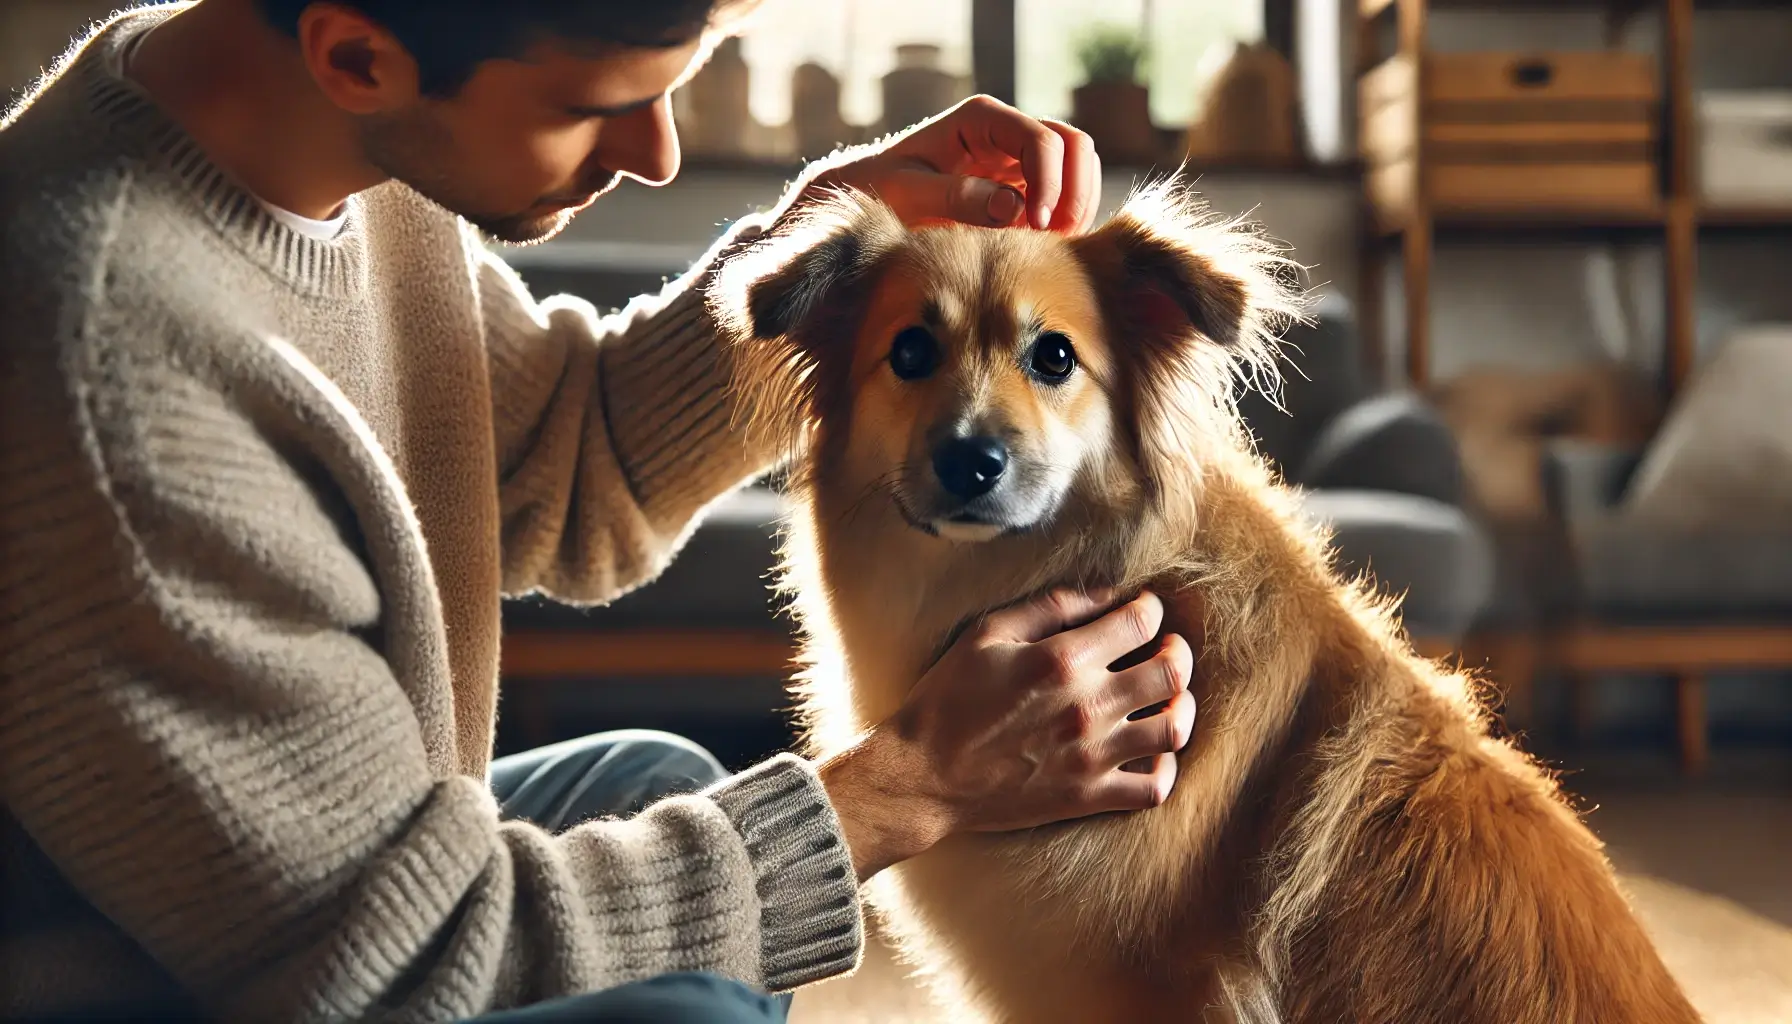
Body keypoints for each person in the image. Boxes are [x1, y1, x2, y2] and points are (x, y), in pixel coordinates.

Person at [0, 1, 1201, 1020]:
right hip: (182, 979)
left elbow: (555, 465)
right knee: (694, 1002)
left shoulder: (318, 127)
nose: (659, 153)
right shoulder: (111, 361)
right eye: (593, 106)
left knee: (654, 781)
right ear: (355, 56)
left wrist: (826, 255)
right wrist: (920, 780)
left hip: (309, 893)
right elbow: (392, 956)